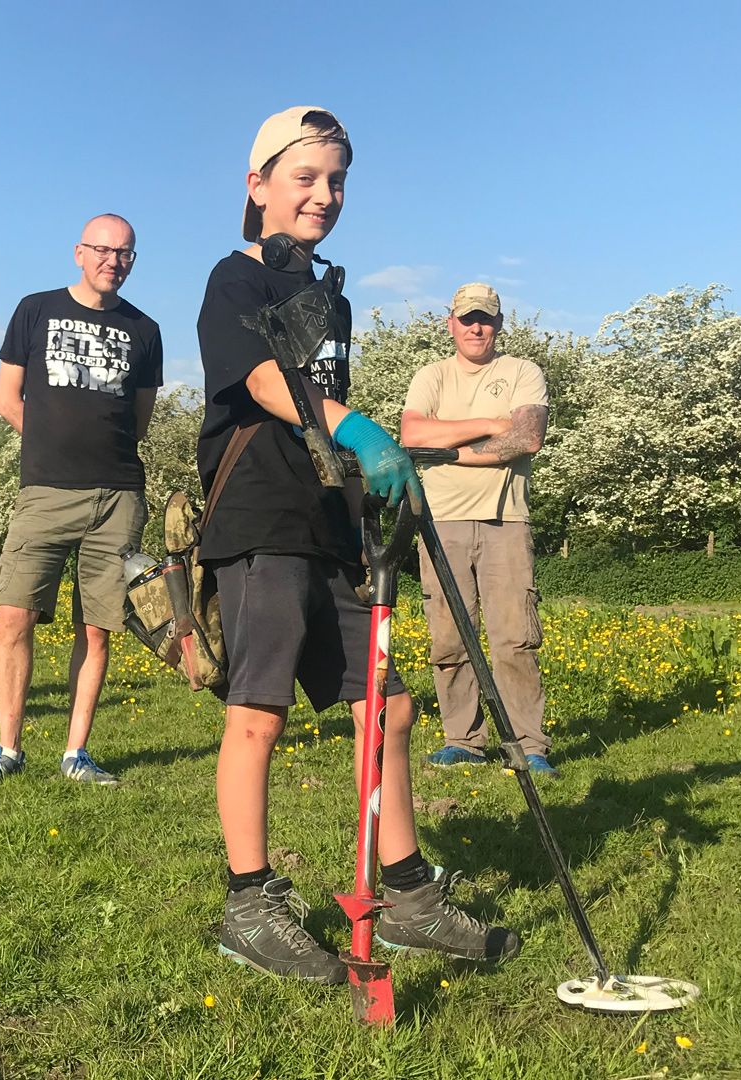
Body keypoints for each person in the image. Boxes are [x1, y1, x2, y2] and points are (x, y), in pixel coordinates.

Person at [195, 107, 521, 982]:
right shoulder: (234, 281)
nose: (324, 195)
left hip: (327, 522)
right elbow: (265, 383)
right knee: (258, 713)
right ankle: (249, 903)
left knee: (390, 708)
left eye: (336, 180)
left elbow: (320, 399)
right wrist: (364, 431)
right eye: (305, 177)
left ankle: (409, 896)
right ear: (258, 184)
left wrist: (373, 477)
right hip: (259, 520)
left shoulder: (328, 293)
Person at [0, 214, 163, 787]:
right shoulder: (35, 310)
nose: (112, 260)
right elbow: (6, 399)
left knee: (97, 628)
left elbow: (139, 421)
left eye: (124, 253)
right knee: (14, 615)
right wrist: (53, 450)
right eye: (101, 249)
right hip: (44, 492)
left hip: (119, 497)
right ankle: (7, 749)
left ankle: (76, 754)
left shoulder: (146, 330)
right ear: (78, 252)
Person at [399, 284, 556, 776]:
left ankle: (528, 745)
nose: (475, 327)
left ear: (499, 324)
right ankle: (463, 740)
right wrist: (491, 422)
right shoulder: (432, 376)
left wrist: (450, 449)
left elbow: (526, 436)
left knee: (514, 637)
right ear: (450, 323)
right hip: (440, 520)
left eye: (484, 319)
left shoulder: (522, 373)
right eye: (466, 318)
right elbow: (411, 435)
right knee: (448, 636)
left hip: (505, 521)